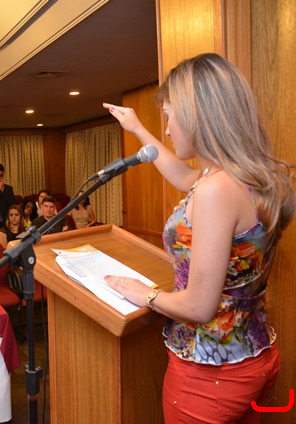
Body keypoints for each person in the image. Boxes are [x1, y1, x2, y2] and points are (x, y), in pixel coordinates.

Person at [102, 53, 296, 423]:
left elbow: (199, 307)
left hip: (210, 375)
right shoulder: (246, 176)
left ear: (197, 116)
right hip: (253, 357)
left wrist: (145, 295)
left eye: (169, 116)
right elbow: (182, 178)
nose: (168, 129)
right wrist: (138, 129)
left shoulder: (216, 189)